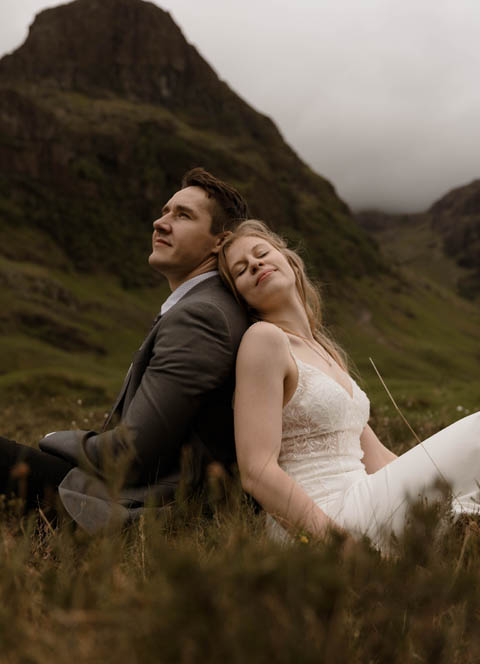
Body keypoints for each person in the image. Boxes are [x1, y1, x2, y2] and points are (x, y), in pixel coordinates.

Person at [0, 168, 249, 532]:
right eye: (165, 212)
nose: (160, 223)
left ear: (219, 242)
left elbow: (130, 457)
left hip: (143, 509)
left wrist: (54, 439)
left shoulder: (202, 315)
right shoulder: (205, 305)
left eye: (183, 215)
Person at [218, 219, 480, 549]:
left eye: (261, 253)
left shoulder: (324, 350)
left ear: (289, 260)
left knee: (467, 499)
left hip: (367, 501)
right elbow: (257, 470)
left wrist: (445, 494)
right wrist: (338, 545)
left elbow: (379, 460)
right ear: (240, 296)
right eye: (241, 270)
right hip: (326, 519)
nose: (255, 264)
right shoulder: (264, 340)